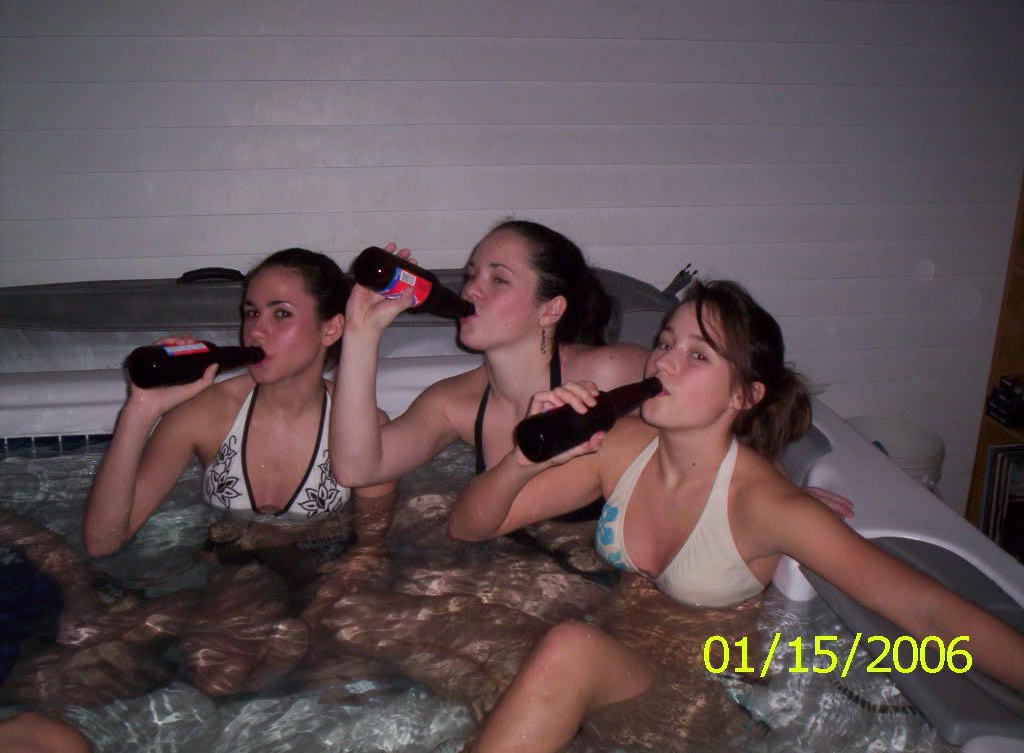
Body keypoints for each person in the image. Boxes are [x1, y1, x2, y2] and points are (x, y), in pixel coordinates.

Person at [447, 278, 1024, 752]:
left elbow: (924, 608)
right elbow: (469, 526)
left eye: (697, 355)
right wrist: (523, 461)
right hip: (615, 673)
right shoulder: (622, 445)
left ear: (743, 396)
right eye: (666, 342)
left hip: (695, 709)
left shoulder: (765, 505)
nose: (665, 361)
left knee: (567, 649)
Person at [81, 247, 397, 695]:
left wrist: (313, 618)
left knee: (357, 676)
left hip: (327, 574)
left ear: (331, 329)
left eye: (281, 313)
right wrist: (140, 410)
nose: (257, 330)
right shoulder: (207, 414)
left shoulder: (365, 428)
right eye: (251, 313)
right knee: (207, 673)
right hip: (232, 570)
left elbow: (372, 550)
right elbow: (103, 541)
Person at [332, 219, 650, 528]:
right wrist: (361, 333)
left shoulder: (609, 371)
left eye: (498, 279)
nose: (470, 290)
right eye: (471, 275)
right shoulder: (454, 402)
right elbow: (358, 470)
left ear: (550, 309)